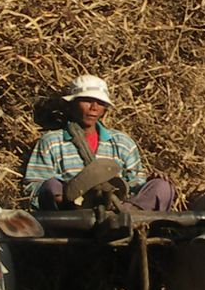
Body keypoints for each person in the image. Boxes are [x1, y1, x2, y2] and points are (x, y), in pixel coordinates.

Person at [23, 74, 175, 213]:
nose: (94, 108)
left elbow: (135, 182)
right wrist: (64, 196)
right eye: (87, 101)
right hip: (73, 213)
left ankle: (125, 218)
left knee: (162, 186)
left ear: (105, 109)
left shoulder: (122, 142)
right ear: (71, 104)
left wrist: (151, 181)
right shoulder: (52, 142)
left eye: (100, 103)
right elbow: (34, 185)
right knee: (50, 185)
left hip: (119, 209)